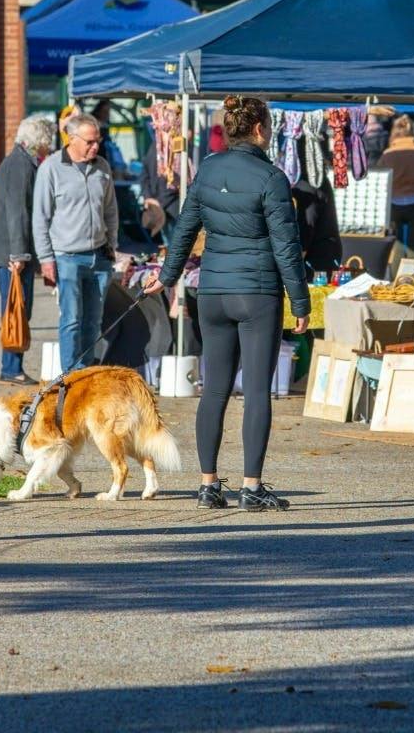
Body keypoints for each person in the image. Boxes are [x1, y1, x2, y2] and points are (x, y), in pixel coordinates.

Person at [142, 95, 310, 513]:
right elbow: (286, 247)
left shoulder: (208, 169)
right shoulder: (272, 178)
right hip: (256, 292)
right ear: (259, 130)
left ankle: (208, 484)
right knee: (256, 392)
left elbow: (183, 231)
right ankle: (251, 486)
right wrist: (301, 301)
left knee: (213, 390)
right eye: (268, 127)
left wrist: (166, 277)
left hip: (213, 291)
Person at [33, 111, 119, 373]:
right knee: (71, 319)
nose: (95, 146)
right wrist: (46, 259)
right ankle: (71, 374)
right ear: (71, 139)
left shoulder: (102, 167)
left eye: (98, 141)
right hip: (67, 256)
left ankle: (87, 369)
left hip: (99, 255)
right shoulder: (51, 168)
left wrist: (112, 245)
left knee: (93, 320)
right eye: (90, 142)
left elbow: (111, 211)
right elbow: (40, 217)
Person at [0, 116, 55, 385]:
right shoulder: (19, 166)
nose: (49, 148)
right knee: (16, 309)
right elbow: (17, 213)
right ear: (39, 142)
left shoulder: (20, 162)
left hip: (10, 250)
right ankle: (11, 367)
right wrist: (19, 255)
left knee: (18, 308)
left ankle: (13, 365)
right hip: (10, 251)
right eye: (47, 143)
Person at [377, 115, 414, 253]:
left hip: (395, 203)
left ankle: (396, 270)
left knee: (395, 244)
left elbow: (381, 181)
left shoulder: (387, 154)